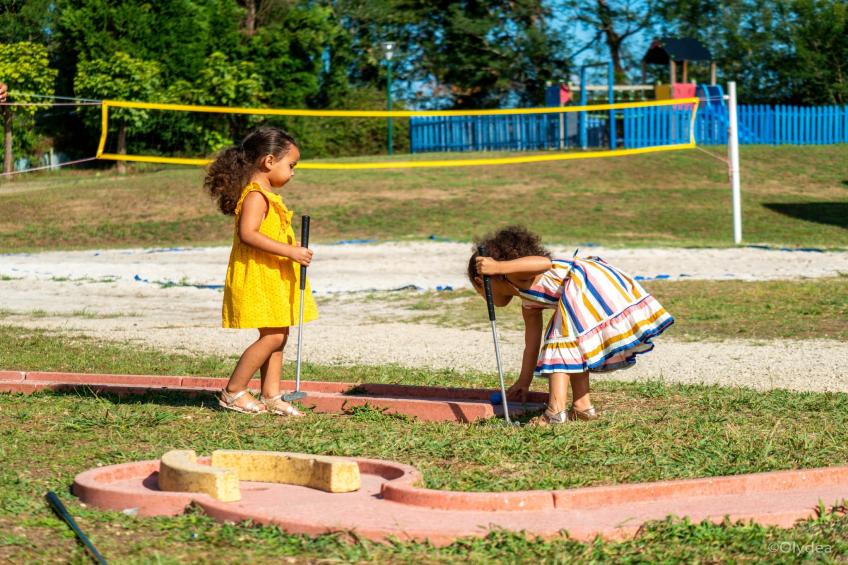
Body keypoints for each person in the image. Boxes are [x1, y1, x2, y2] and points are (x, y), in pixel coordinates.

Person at [469, 226, 673, 425]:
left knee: (558, 341)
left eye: (479, 290)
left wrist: (498, 267)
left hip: (585, 281)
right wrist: (524, 381)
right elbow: (531, 345)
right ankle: (582, 407)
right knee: (571, 345)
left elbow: (543, 263)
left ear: (481, 281)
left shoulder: (517, 274)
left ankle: (555, 413)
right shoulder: (528, 304)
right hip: (583, 287)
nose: (484, 297)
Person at [204, 126, 317, 416]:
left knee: (280, 333)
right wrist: (290, 251)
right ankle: (233, 391)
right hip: (258, 275)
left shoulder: (267, 194)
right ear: (269, 161)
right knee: (273, 337)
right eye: (291, 166)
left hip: (273, 275)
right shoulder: (256, 196)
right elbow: (248, 234)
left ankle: (272, 395)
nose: (292, 173)